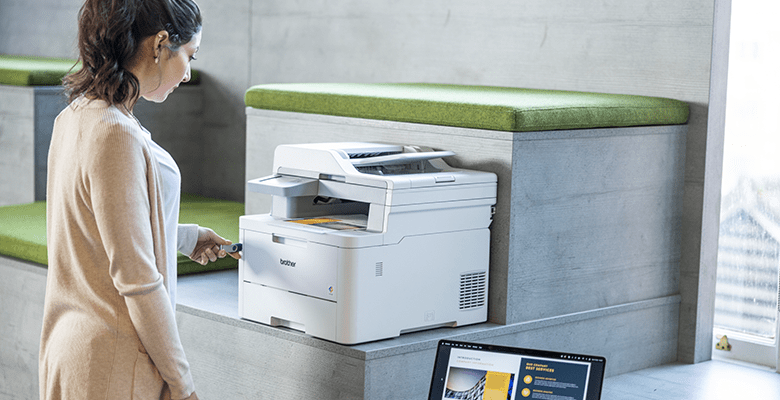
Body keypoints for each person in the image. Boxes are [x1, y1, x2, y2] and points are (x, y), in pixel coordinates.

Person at [39, 0, 236, 398]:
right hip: (112, 361)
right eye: (189, 55)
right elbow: (139, 281)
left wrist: (182, 238)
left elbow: (93, 227)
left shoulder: (77, 115)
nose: (188, 73)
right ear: (160, 43)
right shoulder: (116, 134)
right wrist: (183, 385)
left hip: (74, 351)